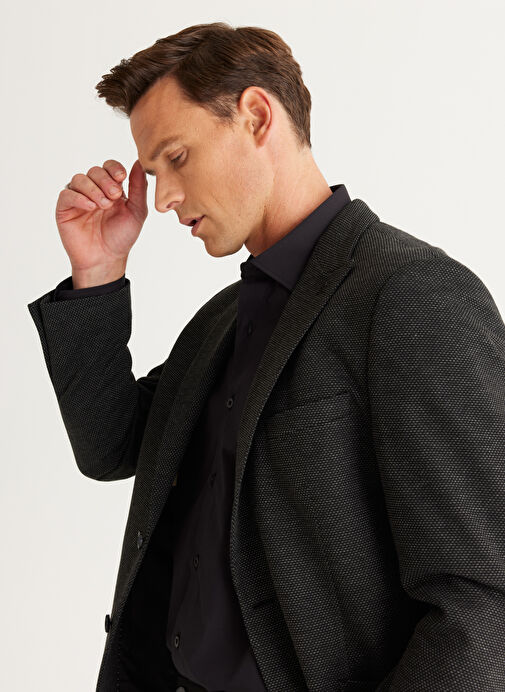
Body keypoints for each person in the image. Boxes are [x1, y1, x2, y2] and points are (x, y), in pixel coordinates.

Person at [27, 21, 505, 692]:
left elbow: (483, 599)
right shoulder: (222, 322)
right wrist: (98, 273)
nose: (162, 199)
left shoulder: (412, 295)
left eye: (176, 158)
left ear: (256, 116)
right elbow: (111, 447)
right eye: (153, 173)